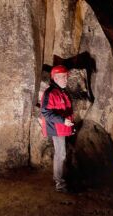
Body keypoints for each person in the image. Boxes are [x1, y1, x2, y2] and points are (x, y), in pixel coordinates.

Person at [40, 65, 74, 193]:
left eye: (66, 77)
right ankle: (59, 183)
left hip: (62, 127)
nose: (66, 80)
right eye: (63, 77)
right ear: (55, 78)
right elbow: (45, 112)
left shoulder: (62, 92)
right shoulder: (50, 93)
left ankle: (59, 178)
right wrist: (63, 120)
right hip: (57, 128)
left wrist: (69, 124)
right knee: (61, 154)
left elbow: (66, 109)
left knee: (61, 153)